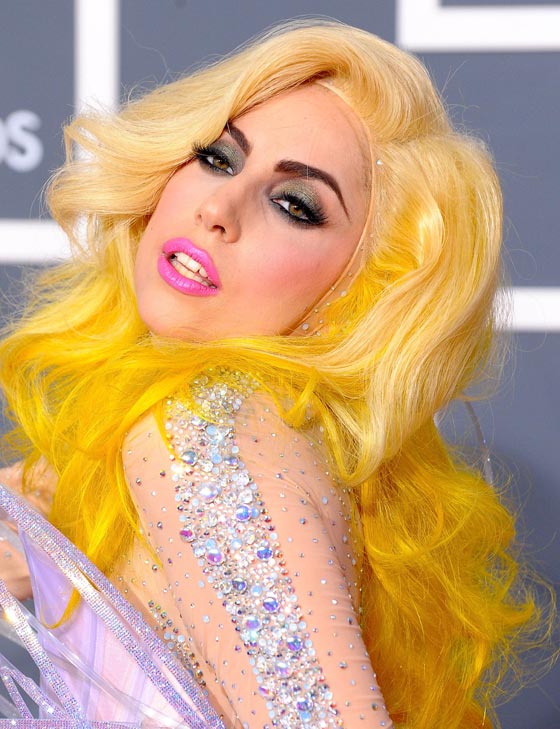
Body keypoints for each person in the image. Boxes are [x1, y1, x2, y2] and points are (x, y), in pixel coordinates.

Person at [0, 19, 553, 729]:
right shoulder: (240, 429)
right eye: (218, 157)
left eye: (296, 206)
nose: (217, 210)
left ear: (358, 290)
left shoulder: (205, 434)